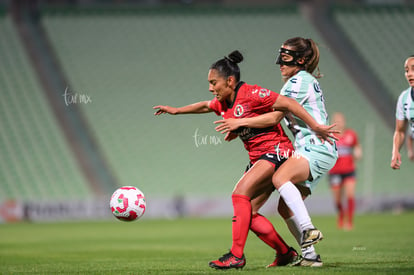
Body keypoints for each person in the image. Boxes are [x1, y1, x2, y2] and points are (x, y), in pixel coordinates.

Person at [154, 50, 337, 270]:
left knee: (239, 194)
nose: (211, 88)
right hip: (260, 157)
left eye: (214, 83)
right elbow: (204, 105)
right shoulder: (223, 103)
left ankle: (236, 255)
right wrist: (176, 111)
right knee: (247, 213)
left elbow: (287, 103)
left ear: (230, 81)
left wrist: (315, 126)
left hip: (277, 151)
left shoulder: (251, 93)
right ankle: (285, 253)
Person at [215, 37, 338, 267]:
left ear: (300, 60)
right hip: (313, 147)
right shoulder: (302, 80)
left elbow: (274, 117)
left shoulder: (296, 82)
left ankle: (309, 229)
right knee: (284, 207)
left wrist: (240, 123)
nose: (280, 63)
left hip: (315, 146)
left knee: (280, 177)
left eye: (286, 57)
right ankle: (310, 256)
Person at [328, 112, 362, 230]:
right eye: (336, 121)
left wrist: (358, 152)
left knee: (350, 195)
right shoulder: (329, 136)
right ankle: (341, 214)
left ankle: (350, 221)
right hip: (334, 172)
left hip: (349, 170)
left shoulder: (351, 134)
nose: (339, 123)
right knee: (337, 199)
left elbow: (357, 146)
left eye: (341, 120)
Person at [391, 55, 414, 169]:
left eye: (413, 69)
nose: (409, 74)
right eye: (406, 70)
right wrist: (395, 152)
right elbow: (400, 131)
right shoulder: (404, 98)